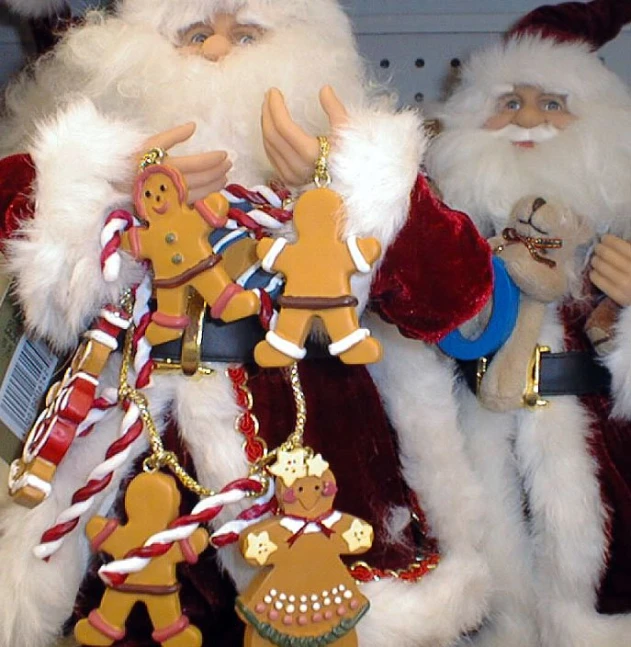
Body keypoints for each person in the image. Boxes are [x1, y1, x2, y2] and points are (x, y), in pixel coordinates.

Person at [0, 1, 494, 646]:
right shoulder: (85, 166)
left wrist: (370, 193)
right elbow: (33, 264)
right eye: (195, 33)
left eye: (248, 32)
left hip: (315, 445)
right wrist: (99, 189)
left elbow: (452, 295)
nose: (218, 51)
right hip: (143, 455)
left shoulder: (354, 167)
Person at [426, 1, 631, 645]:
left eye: (554, 103)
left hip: (603, 447)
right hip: (476, 436)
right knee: (488, 591)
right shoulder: (453, 238)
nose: (532, 122)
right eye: (509, 103)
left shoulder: (617, 233)